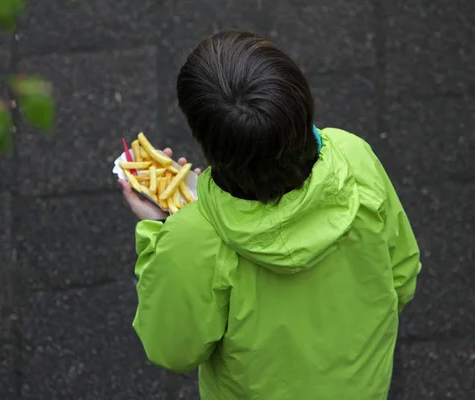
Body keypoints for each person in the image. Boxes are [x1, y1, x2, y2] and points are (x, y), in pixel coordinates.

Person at [118, 30, 421, 400]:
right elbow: (403, 274)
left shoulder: (192, 241)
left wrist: (160, 232)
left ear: (208, 144)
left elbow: (172, 349)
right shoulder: (353, 156)